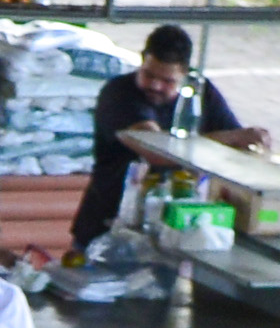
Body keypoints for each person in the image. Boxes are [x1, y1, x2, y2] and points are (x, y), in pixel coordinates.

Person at [73, 20, 257, 249]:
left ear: (186, 74)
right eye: (149, 75)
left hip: (172, 229)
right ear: (142, 59)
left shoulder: (201, 92)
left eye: (168, 81)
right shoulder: (119, 94)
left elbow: (237, 143)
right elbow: (157, 150)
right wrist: (228, 139)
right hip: (109, 228)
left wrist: (244, 141)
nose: (156, 86)